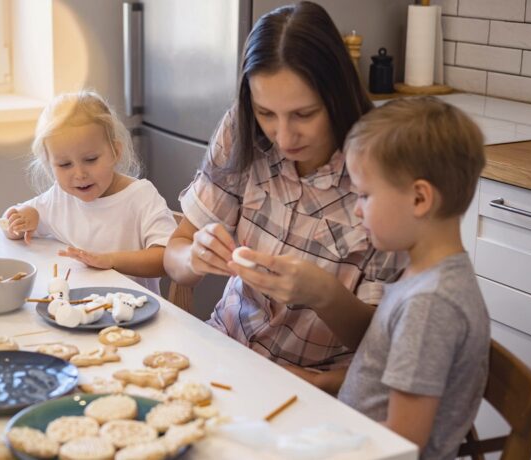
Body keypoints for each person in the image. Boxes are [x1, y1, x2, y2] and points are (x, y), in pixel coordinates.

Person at [164, 1, 406, 393]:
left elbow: (381, 347)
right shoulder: (241, 130)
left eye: (304, 114)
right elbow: (173, 255)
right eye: (266, 113)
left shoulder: (382, 167)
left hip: (316, 389)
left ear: (337, 95)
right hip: (222, 352)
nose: (283, 136)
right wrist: (193, 257)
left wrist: (324, 295)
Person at [237, 97, 490, 458]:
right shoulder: (424, 275)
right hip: (352, 433)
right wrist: (323, 383)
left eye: (365, 195)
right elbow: (386, 370)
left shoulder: (431, 305)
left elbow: (404, 442)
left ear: (420, 199)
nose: (356, 208)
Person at [5, 90, 177, 294]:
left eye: (91, 160)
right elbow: (12, 226)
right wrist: (21, 219)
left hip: (133, 315)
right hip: (77, 309)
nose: (79, 174)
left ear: (115, 152)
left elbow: (166, 258)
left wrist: (111, 260)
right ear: (49, 165)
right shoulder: (60, 197)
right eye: (64, 164)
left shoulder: (141, 197)